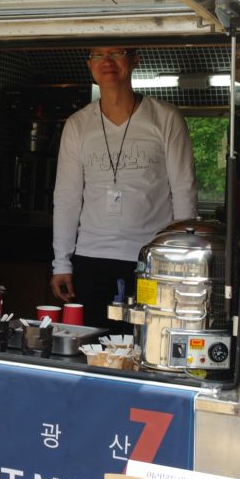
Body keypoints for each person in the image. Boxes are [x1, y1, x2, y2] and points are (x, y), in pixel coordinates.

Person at [51, 46, 198, 329]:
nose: (107, 61)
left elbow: (184, 190)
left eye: (116, 52)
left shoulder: (166, 118)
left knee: (147, 343)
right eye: (98, 55)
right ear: (89, 65)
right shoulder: (78, 124)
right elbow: (67, 198)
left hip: (150, 259)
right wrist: (62, 263)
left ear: (134, 60)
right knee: (92, 344)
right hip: (90, 258)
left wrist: (181, 260)